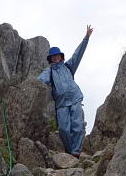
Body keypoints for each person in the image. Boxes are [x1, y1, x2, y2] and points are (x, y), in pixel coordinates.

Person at [38, 25, 93, 157]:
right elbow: (39, 81)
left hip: (75, 98)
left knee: (77, 126)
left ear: (61, 57)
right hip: (61, 103)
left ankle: (75, 152)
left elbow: (78, 54)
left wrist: (86, 38)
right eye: (53, 56)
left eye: (57, 56)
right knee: (64, 128)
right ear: (51, 59)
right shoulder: (49, 72)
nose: (56, 58)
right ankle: (70, 150)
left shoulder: (68, 67)